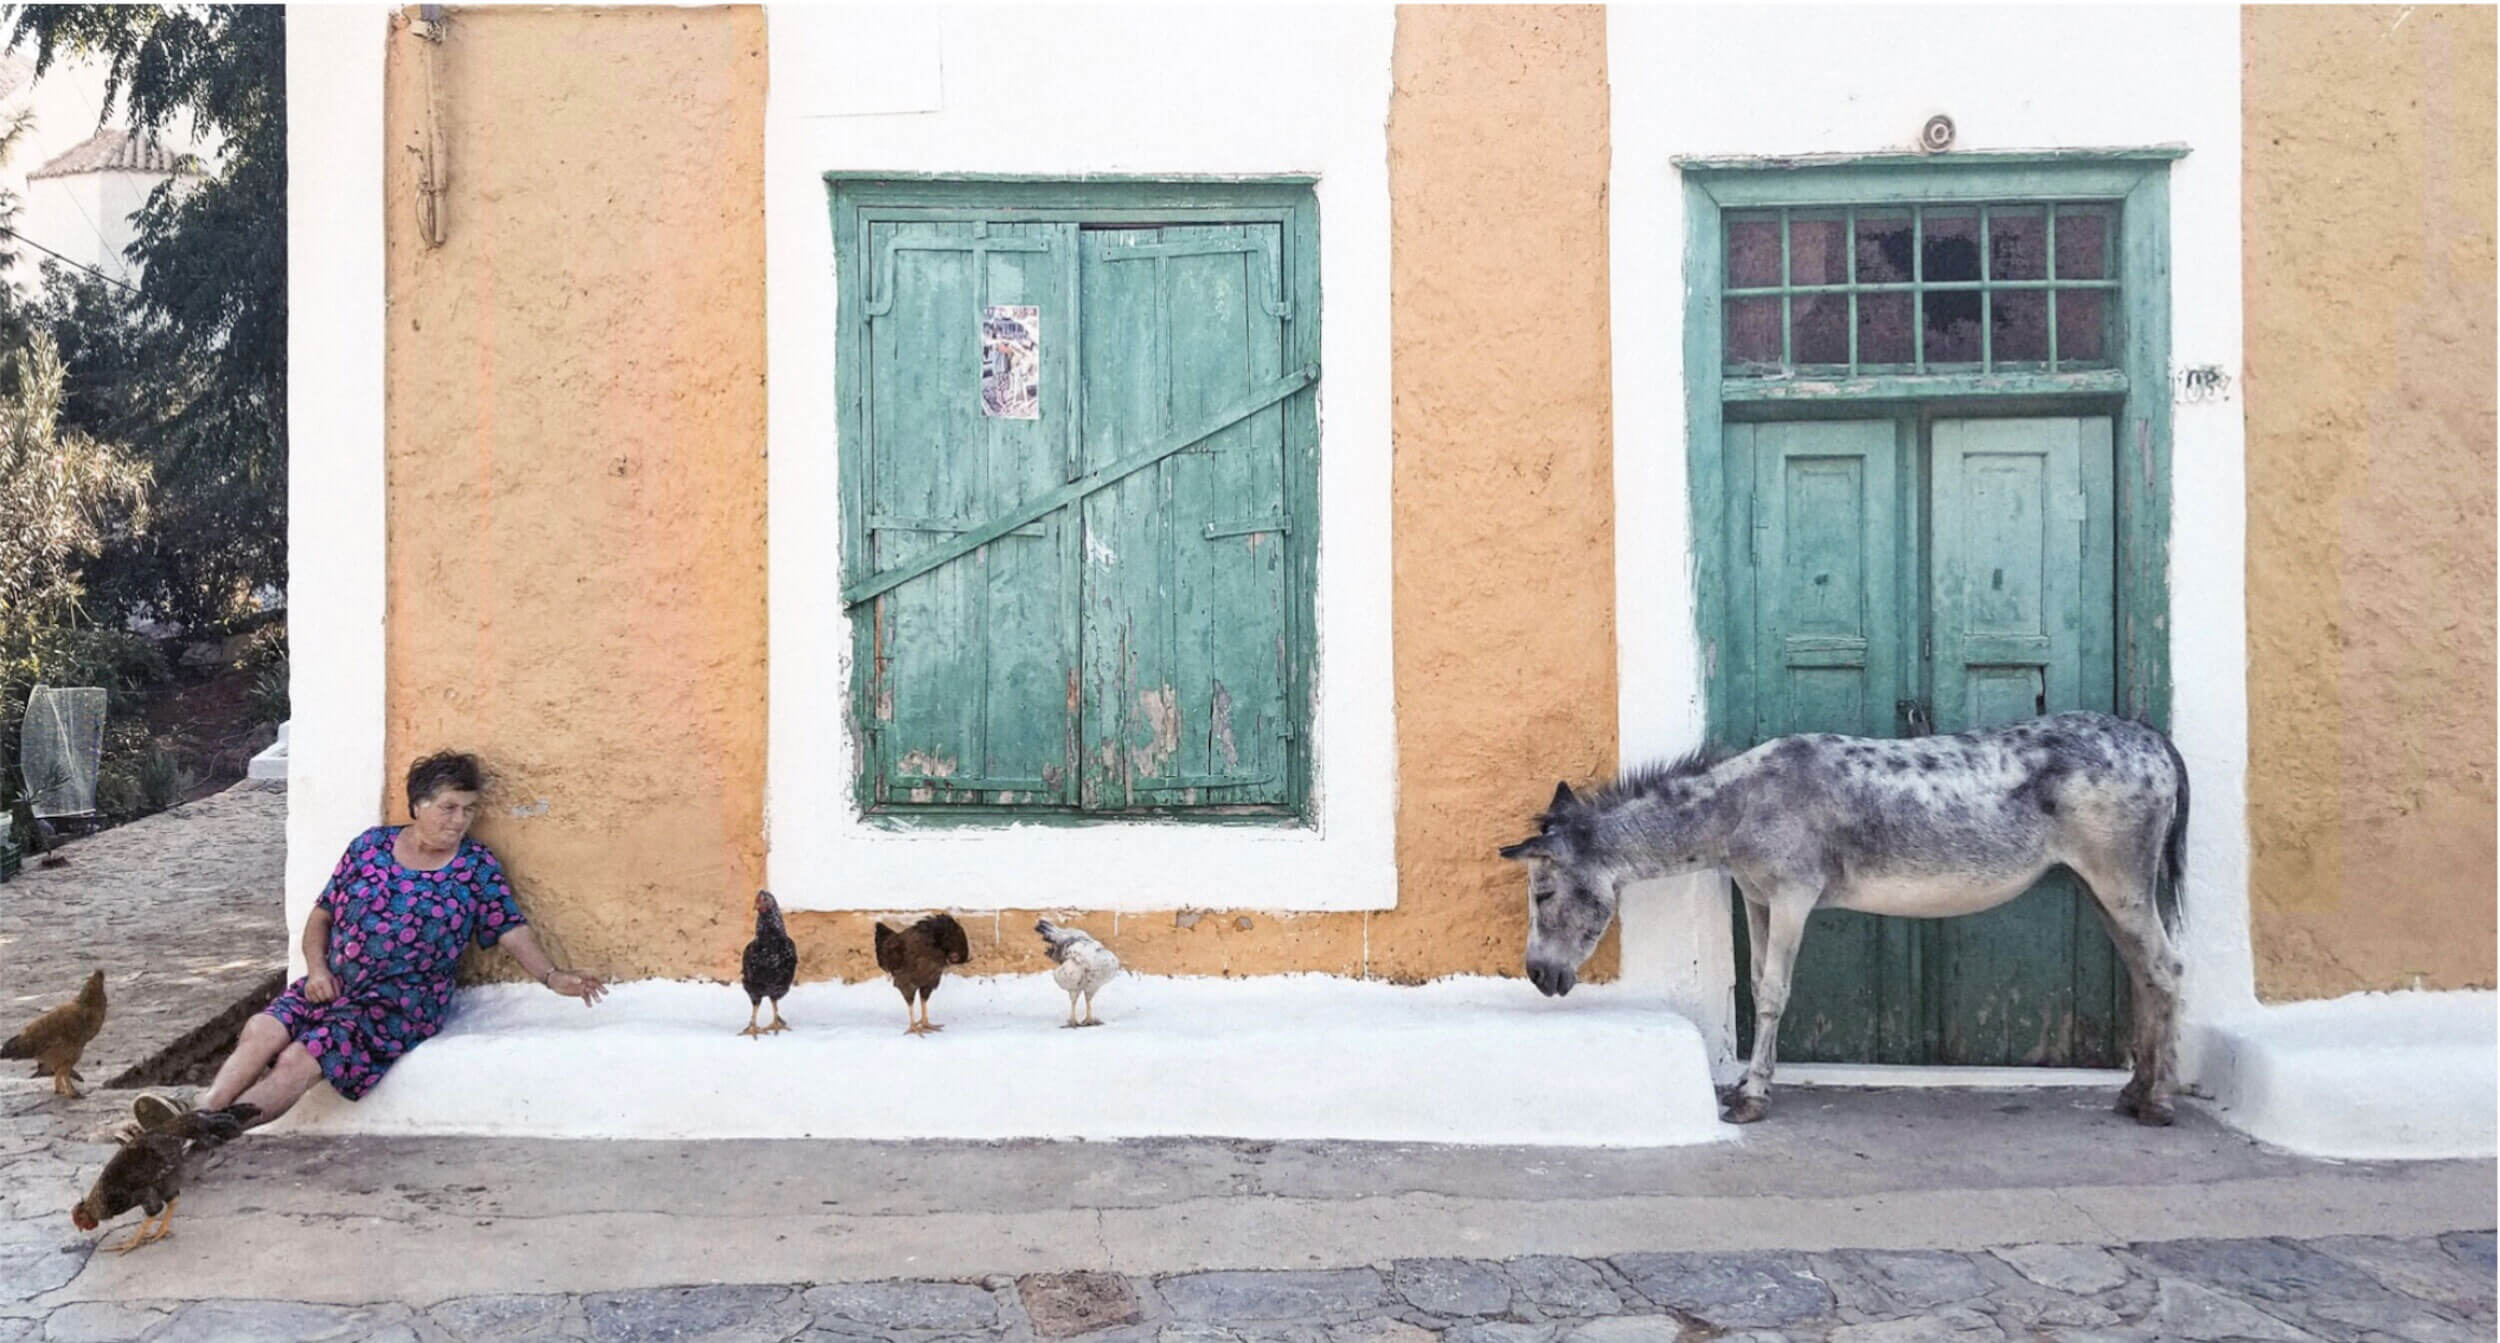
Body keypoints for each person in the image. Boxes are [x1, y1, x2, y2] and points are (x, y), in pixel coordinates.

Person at [139, 751, 605, 1137]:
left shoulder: (475, 867)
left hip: (395, 1007)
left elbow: (510, 929)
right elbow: (320, 917)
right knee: (263, 1030)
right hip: (332, 984)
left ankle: (203, 1133)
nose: (459, 820)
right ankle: (198, 1116)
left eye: (468, 809)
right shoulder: (370, 848)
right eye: (449, 807)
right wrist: (317, 971)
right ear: (418, 805)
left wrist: (551, 976)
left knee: (298, 1059)